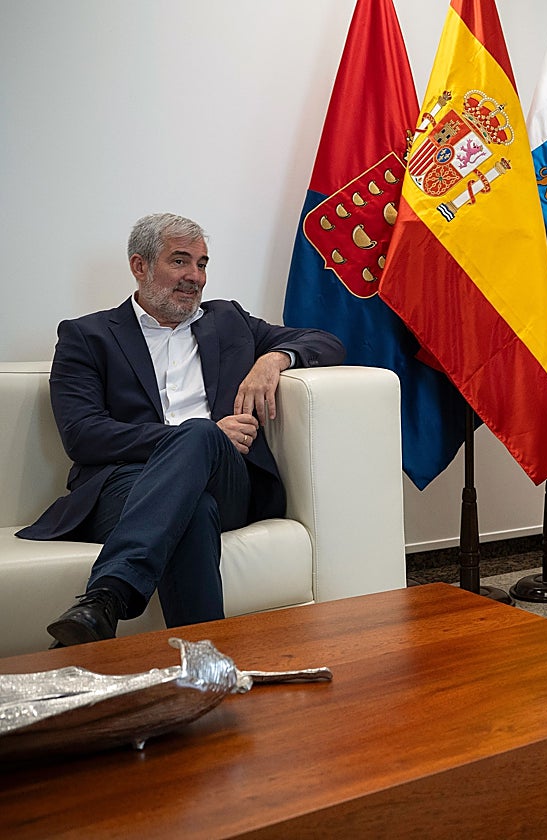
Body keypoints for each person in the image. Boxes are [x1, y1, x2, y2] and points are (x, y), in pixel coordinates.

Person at [18, 213, 345, 647]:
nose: (195, 277)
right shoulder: (87, 336)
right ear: (140, 266)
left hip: (229, 478)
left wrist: (274, 359)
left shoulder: (227, 320)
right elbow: (82, 434)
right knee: (194, 508)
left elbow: (327, 342)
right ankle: (205, 665)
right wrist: (195, 434)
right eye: (180, 261)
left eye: (203, 264)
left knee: (201, 438)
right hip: (123, 486)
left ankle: (106, 596)